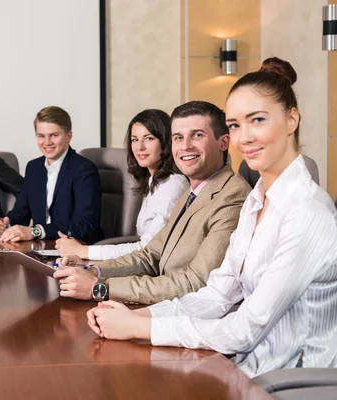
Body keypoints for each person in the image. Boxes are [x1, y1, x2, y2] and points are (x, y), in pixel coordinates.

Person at [86, 57, 337, 378]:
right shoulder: (258, 199)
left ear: (292, 120)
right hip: (245, 364)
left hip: (290, 379)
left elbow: (246, 329)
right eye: (235, 125)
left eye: (257, 120)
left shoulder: (306, 212)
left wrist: (139, 327)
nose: (243, 137)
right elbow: (218, 295)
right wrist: (141, 316)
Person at [54, 101, 251, 304]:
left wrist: (101, 287)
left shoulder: (232, 195)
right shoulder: (192, 192)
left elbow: (195, 282)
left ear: (224, 142)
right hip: (161, 301)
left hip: (185, 315)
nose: (185, 146)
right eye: (178, 137)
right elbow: (150, 255)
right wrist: (91, 270)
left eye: (197, 135)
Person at [55, 109, 189, 260]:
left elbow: (147, 250)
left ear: (165, 141)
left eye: (149, 138)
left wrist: (84, 251)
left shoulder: (174, 184)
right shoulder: (154, 180)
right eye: (134, 139)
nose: (139, 147)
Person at [0, 106, 104, 244]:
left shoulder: (84, 170)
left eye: (54, 135)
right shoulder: (34, 168)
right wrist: (6, 223)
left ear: (69, 136)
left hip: (78, 249)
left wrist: (35, 231)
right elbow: (22, 211)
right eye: (41, 136)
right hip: (41, 249)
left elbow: (84, 225)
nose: (47, 142)